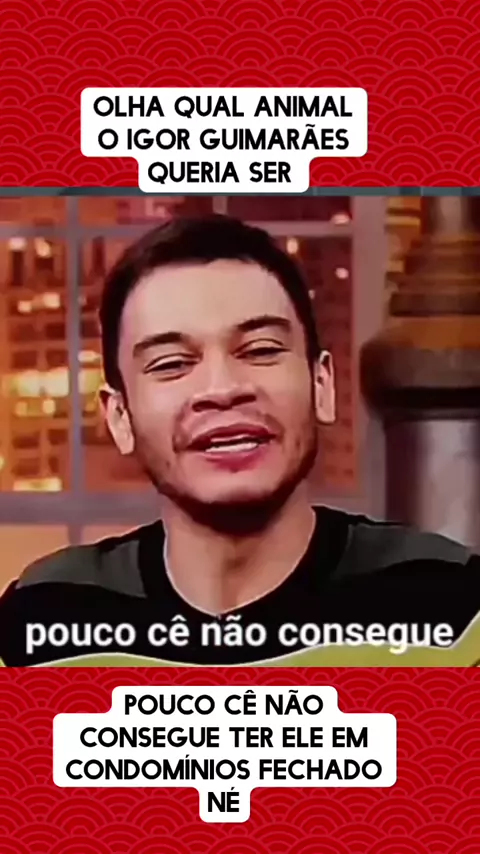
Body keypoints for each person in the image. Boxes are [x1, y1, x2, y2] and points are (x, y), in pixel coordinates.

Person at [1, 214, 479, 666]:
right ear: (120, 417)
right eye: (171, 364)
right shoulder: (43, 623)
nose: (223, 388)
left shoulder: (453, 611)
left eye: (261, 350)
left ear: (322, 386)